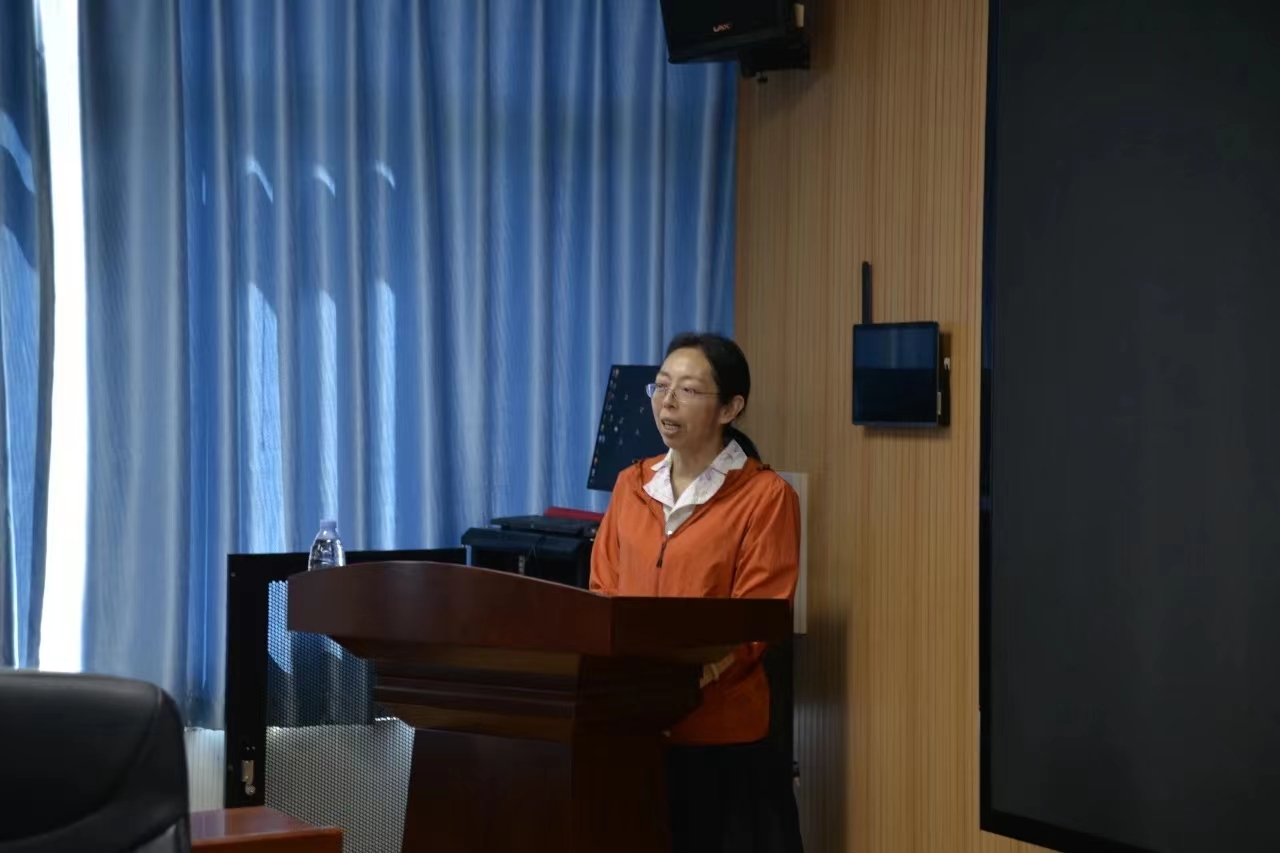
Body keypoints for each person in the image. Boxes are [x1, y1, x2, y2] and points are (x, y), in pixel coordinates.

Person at [590, 332, 805, 853]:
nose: (667, 402)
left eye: (687, 390)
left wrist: (678, 685)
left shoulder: (766, 496)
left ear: (731, 408)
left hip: (720, 735)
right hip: (635, 727)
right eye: (662, 386)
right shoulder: (631, 486)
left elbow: (756, 620)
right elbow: (603, 592)